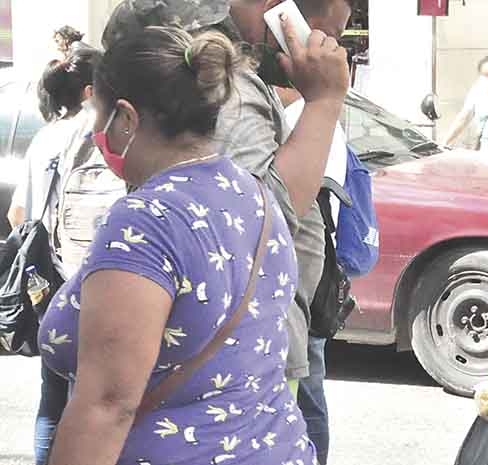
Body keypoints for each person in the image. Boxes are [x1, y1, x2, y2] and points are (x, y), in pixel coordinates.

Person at [41, 26, 324, 465]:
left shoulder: (146, 221)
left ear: (126, 118)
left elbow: (108, 405)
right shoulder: (251, 193)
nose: (95, 133)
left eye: (98, 117)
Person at [101, 0, 351, 400]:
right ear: (281, 12)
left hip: (235, 350)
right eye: (324, 34)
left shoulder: (217, 71)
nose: (327, 49)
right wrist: (325, 101)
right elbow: (260, 213)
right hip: (239, 363)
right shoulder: (223, 79)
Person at [6, 49, 101, 465]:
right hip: (92, 277)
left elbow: (18, 215)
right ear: (92, 90)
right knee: (92, 396)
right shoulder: (101, 134)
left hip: (47, 282)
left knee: (53, 393)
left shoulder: (46, 136)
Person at [272, 1, 351, 463]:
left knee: (304, 388)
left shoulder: (317, 107)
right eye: (328, 32)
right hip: (290, 289)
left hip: (302, 282)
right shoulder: (289, 104)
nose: (335, 47)